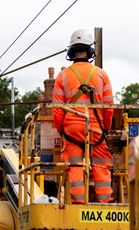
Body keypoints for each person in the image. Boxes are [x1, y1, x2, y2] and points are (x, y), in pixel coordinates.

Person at [52, 29, 115, 204]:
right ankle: (105, 203)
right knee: (101, 166)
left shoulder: (63, 76)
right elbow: (109, 107)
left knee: (75, 167)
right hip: (95, 128)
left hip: (71, 128)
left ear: (71, 51)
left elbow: (56, 109)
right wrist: (105, 129)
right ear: (90, 51)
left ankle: (78, 203)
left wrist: (61, 130)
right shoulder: (101, 74)